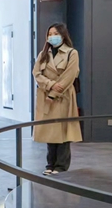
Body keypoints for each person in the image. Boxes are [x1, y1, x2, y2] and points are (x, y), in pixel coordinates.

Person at [33, 22, 82, 175]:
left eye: (55, 34)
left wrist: (53, 93)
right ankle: (50, 164)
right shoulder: (43, 54)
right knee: (50, 131)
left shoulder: (71, 53)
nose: (52, 37)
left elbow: (69, 76)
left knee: (63, 132)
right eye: (50, 34)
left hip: (63, 97)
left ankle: (61, 166)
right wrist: (51, 85)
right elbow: (36, 73)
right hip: (46, 95)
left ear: (63, 35)